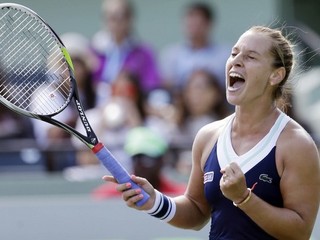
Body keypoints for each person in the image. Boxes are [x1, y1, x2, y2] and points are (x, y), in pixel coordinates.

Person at [103, 26, 320, 239]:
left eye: (251, 57)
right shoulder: (208, 136)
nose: (236, 61)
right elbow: (197, 211)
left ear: (276, 75)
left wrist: (244, 198)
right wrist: (155, 201)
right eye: (234, 53)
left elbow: (300, 233)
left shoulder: (296, 144)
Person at [92, 0, 161, 104]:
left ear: (130, 19)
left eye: (120, 16)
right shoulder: (94, 51)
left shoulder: (143, 53)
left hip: (132, 106)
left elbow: (151, 87)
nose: (115, 22)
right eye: (110, 17)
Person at [92, 127, 186, 199]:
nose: (141, 165)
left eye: (148, 159)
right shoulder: (105, 196)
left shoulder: (181, 196)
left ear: (162, 160)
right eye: (136, 158)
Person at [160, 2, 229, 92]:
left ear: (209, 24)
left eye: (199, 23)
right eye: (190, 23)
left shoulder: (224, 55)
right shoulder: (171, 55)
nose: (194, 27)